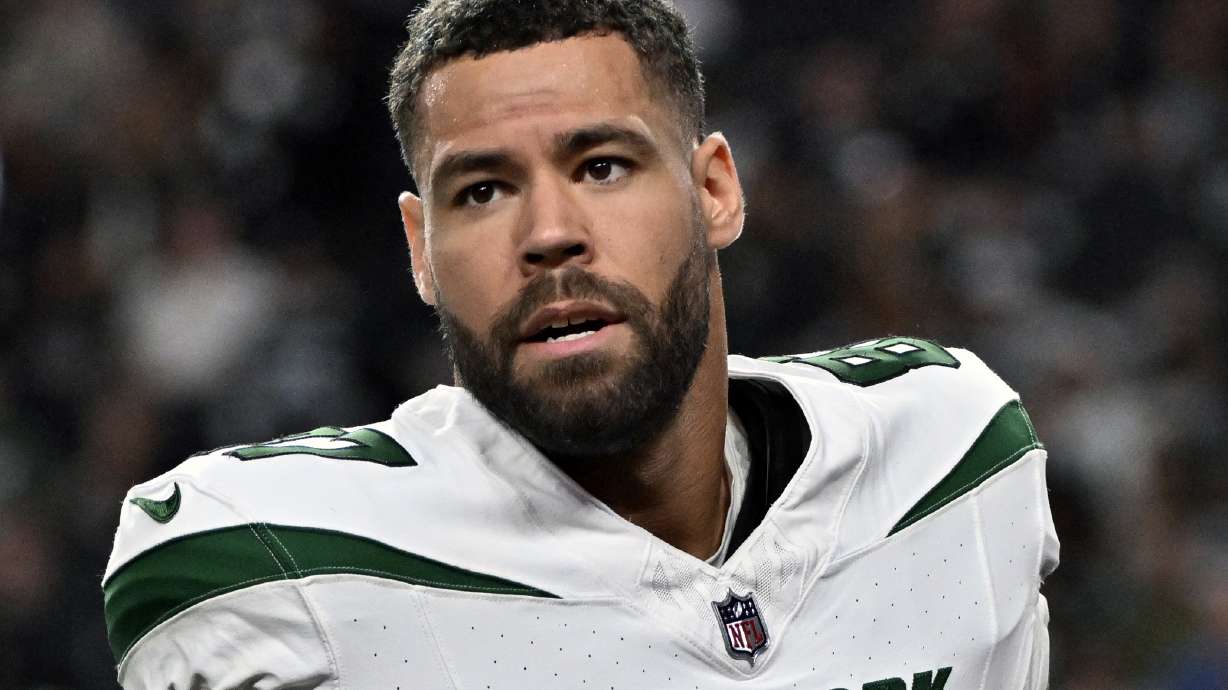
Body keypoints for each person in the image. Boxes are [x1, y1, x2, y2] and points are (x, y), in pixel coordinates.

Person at [102, 1, 1059, 687]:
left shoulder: (951, 454)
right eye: (482, 190)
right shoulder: (269, 558)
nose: (550, 233)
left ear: (715, 191)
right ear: (421, 250)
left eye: (601, 166)